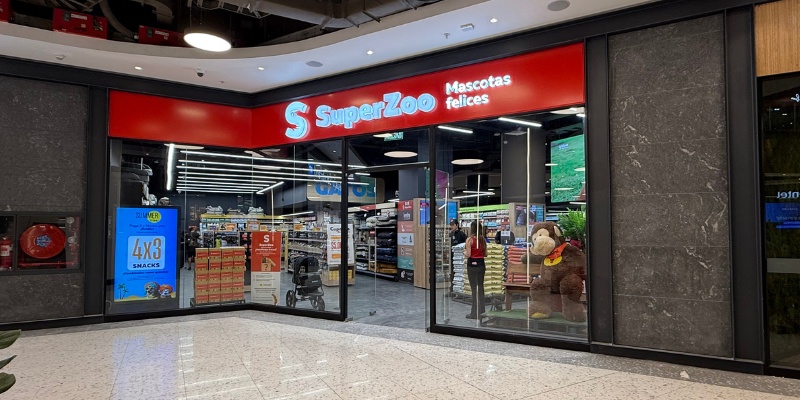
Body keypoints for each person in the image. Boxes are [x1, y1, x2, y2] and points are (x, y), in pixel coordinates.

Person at [464, 220, 486, 319]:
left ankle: (474, 313)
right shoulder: (482, 240)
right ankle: (482, 312)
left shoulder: (469, 240)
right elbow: (486, 254)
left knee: (474, 289)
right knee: (480, 288)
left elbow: (468, 254)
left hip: (472, 266)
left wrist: (464, 252)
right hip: (481, 265)